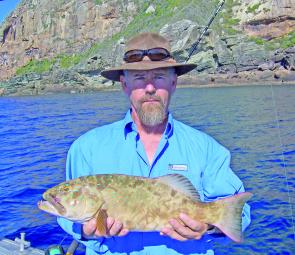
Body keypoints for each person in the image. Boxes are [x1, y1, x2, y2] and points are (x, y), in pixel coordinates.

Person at [57, 32, 251, 255]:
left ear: (173, 82)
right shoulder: (85, 148)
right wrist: (86, 230)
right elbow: (67, 218)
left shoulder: (207, 148)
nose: (150, 88)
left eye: (158, 76)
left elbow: (240, 214)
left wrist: (206, 226)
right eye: (139, 78)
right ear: (124, 84)